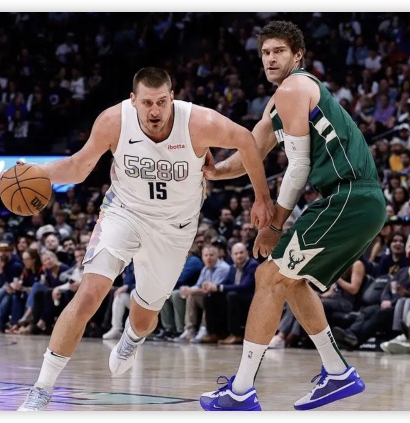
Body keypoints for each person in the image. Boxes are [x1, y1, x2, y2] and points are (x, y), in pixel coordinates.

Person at [16, 67, 273, 411]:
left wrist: (261, 197)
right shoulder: (114, 121)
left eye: (162, 102)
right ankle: (41, 389)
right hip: (124, 212)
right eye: (148, 103)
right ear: (133, 100)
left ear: (172, 97)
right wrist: (38, 172)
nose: (155, 110)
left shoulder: (198, 122)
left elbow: (246, 139)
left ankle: (132, 337)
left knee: (143, 317)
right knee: (89, 293)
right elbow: (79, 167)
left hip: (174, 227)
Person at [199, 21, 385, 411]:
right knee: (291, 281)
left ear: (297, 55)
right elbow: (251, 151)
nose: (270, 58)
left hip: (350, 195)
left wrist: (273, 224)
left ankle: (241, 390)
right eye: (265, 52)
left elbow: (299, 167)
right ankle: (337, 372)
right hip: (346, 199)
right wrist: (214, 172)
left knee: (269, 275)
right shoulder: (277, 102)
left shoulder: (295, 87)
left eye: (279, 51)